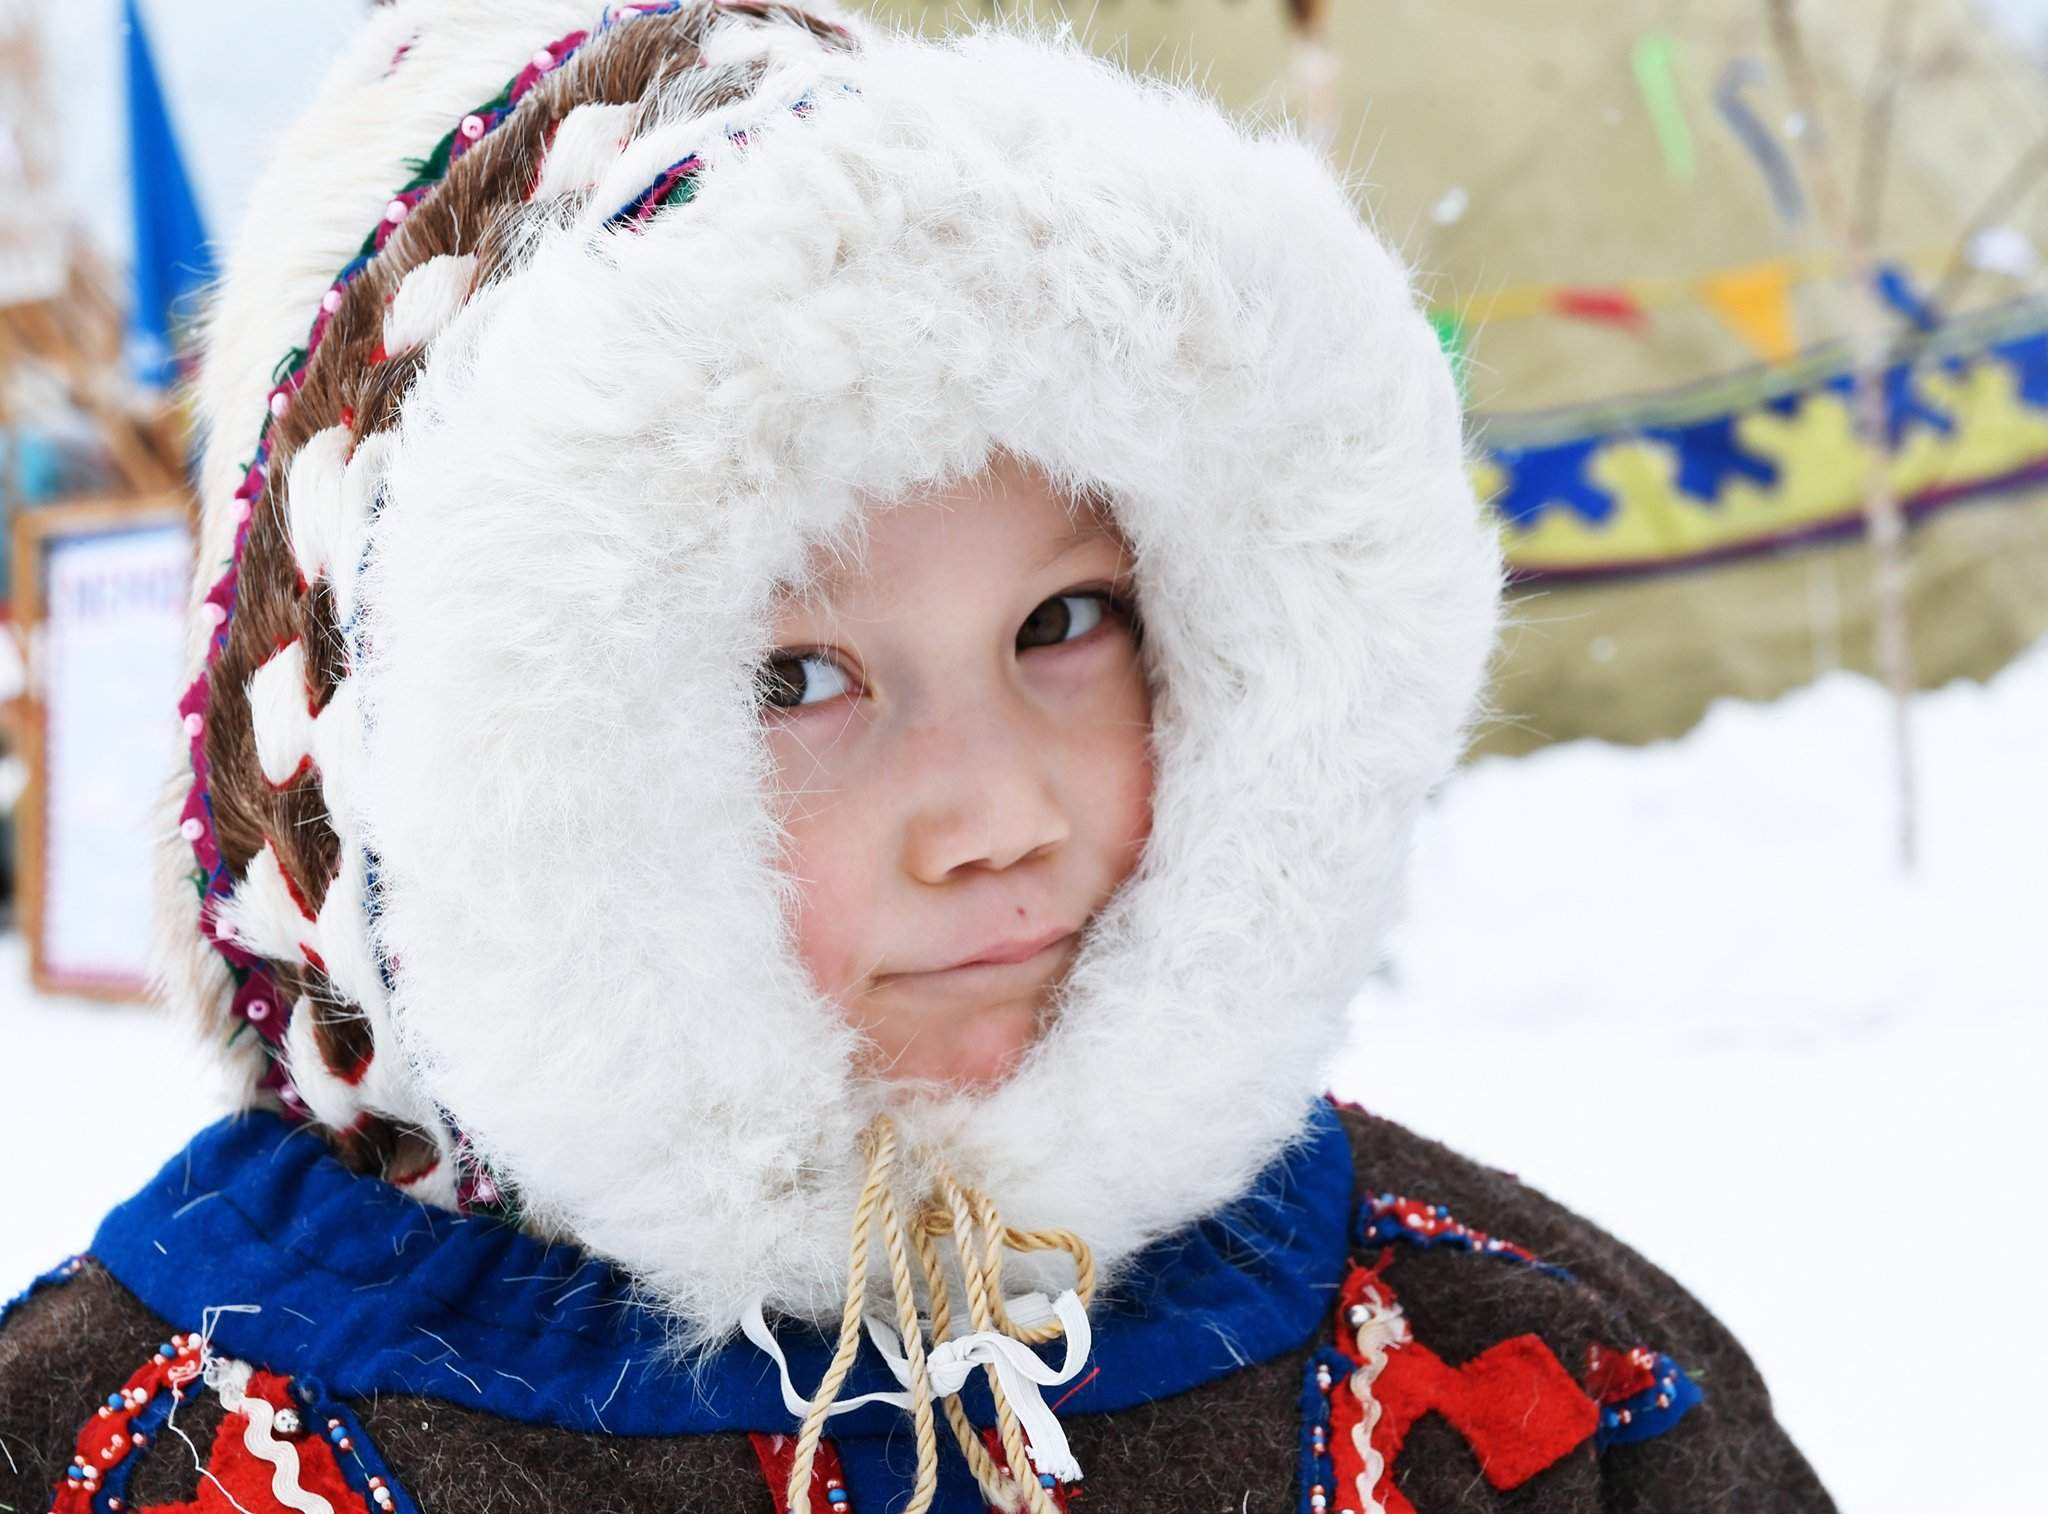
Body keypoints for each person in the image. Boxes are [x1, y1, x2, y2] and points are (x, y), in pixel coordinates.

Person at [0, 3, 1834, 1510]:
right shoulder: (146, 1446)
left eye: (1064, 625)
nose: (1000, 813)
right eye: (797, 676)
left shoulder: (1511, 1368)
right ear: (450, 776)